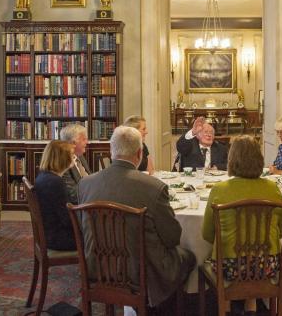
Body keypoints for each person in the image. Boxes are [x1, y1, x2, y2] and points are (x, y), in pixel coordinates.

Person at [78, 126, 195, 308]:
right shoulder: (153, 187)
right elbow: (172, 238)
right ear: (140, 153)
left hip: (97, 267)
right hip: (140, 273)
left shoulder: (85, 184)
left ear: (111, 150)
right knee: (188, 257)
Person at [202, 135, 282, 315]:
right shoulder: (273, 188)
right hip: (267, 265)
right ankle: (251, 308)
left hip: (229, 266)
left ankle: (226, 308)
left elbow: (207, 234)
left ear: (232, 160)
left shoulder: (219, 190)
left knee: (221, 256)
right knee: (255, 251)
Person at [34, 140, 76, 251]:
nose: (74, 157)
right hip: (59, 238)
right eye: (72, 155)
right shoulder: (55, 182)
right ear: (63, 158)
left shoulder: (44, 176)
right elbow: (67, 220)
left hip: (50, 233)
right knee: (99, 235)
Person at [60, 123, 91, 204]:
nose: (87, 142)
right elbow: (73, 196)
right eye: (84, 139)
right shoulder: (63, 162)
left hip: (89, 197)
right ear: (73, 143)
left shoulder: (80, 156)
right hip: (79, 209)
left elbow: (89, 177)